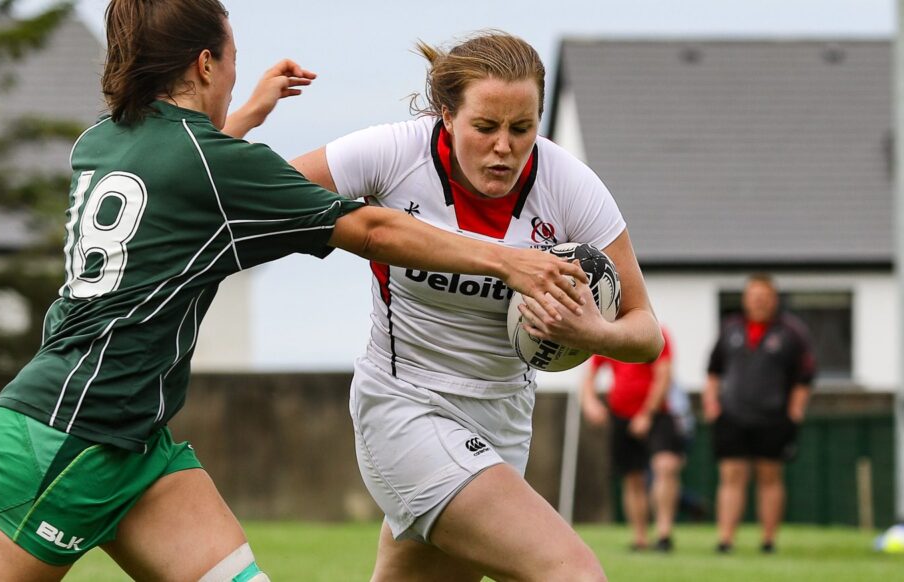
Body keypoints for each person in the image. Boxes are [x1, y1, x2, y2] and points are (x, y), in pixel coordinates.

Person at [0, 3, 592, 581]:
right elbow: (366, 225)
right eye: (230, 61)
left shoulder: (105, 142)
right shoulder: (212, 165)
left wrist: (247, 112)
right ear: (204, 64)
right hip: (62, 440)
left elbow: (188, 168)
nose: (231, 76)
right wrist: (510, 263)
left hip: (139, 449)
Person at [291, 31, 663, 582]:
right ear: (446, 115)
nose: (504, 147)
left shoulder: (569, 185)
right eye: (485, 127)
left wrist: (592, 331)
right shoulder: (395, 152)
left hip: (505, 420)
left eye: (523, 128)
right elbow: (274, 195)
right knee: (572, 572)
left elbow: (646, 332)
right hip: (405, 407)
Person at [703, 273, 815, 554]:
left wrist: (795, 412)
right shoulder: (730, 329)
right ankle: (726, 540)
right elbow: (713, 371)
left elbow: (806, 376)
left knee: (770, 477)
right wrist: (712, 405)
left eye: (764, 297)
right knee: (731, 476)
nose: (759, 302)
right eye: (754, 297)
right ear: (745, 300)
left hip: (773, 418)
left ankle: (768, 540)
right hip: (732, 415)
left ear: (774, 300)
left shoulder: (791, 332)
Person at [580, 326, 684, 552]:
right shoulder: (608, 337)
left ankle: (664, 534)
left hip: (657, 415)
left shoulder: (656, 334)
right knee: (632, 478)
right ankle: (640, 538)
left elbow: (664, 375)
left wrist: (647, 413)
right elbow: (589, 377)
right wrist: (590, 402)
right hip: (621, 417)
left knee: (665, 467)